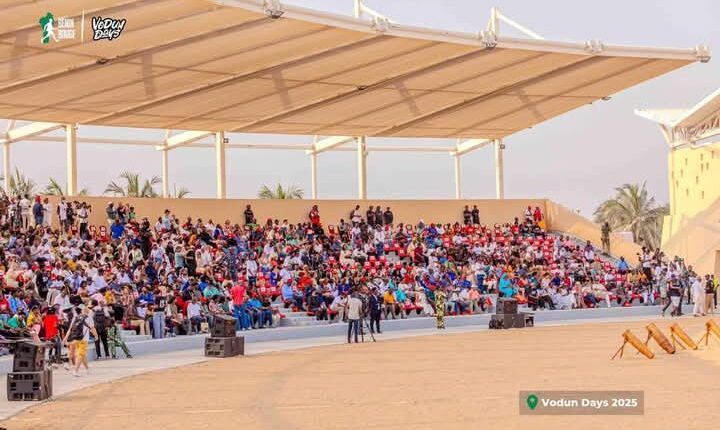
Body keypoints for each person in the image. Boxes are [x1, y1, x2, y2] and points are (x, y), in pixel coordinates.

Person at [63, 305, 98, 377]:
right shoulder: (89, 318)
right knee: (81, 355)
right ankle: (75, 371)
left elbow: (70, 329)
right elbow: (92, 328)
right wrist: (96, 336)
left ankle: (87, 369)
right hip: (83, 340)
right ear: (87, 311)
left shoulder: (75, 317)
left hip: (75, 338)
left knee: (82, 355)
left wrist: (65, 337)